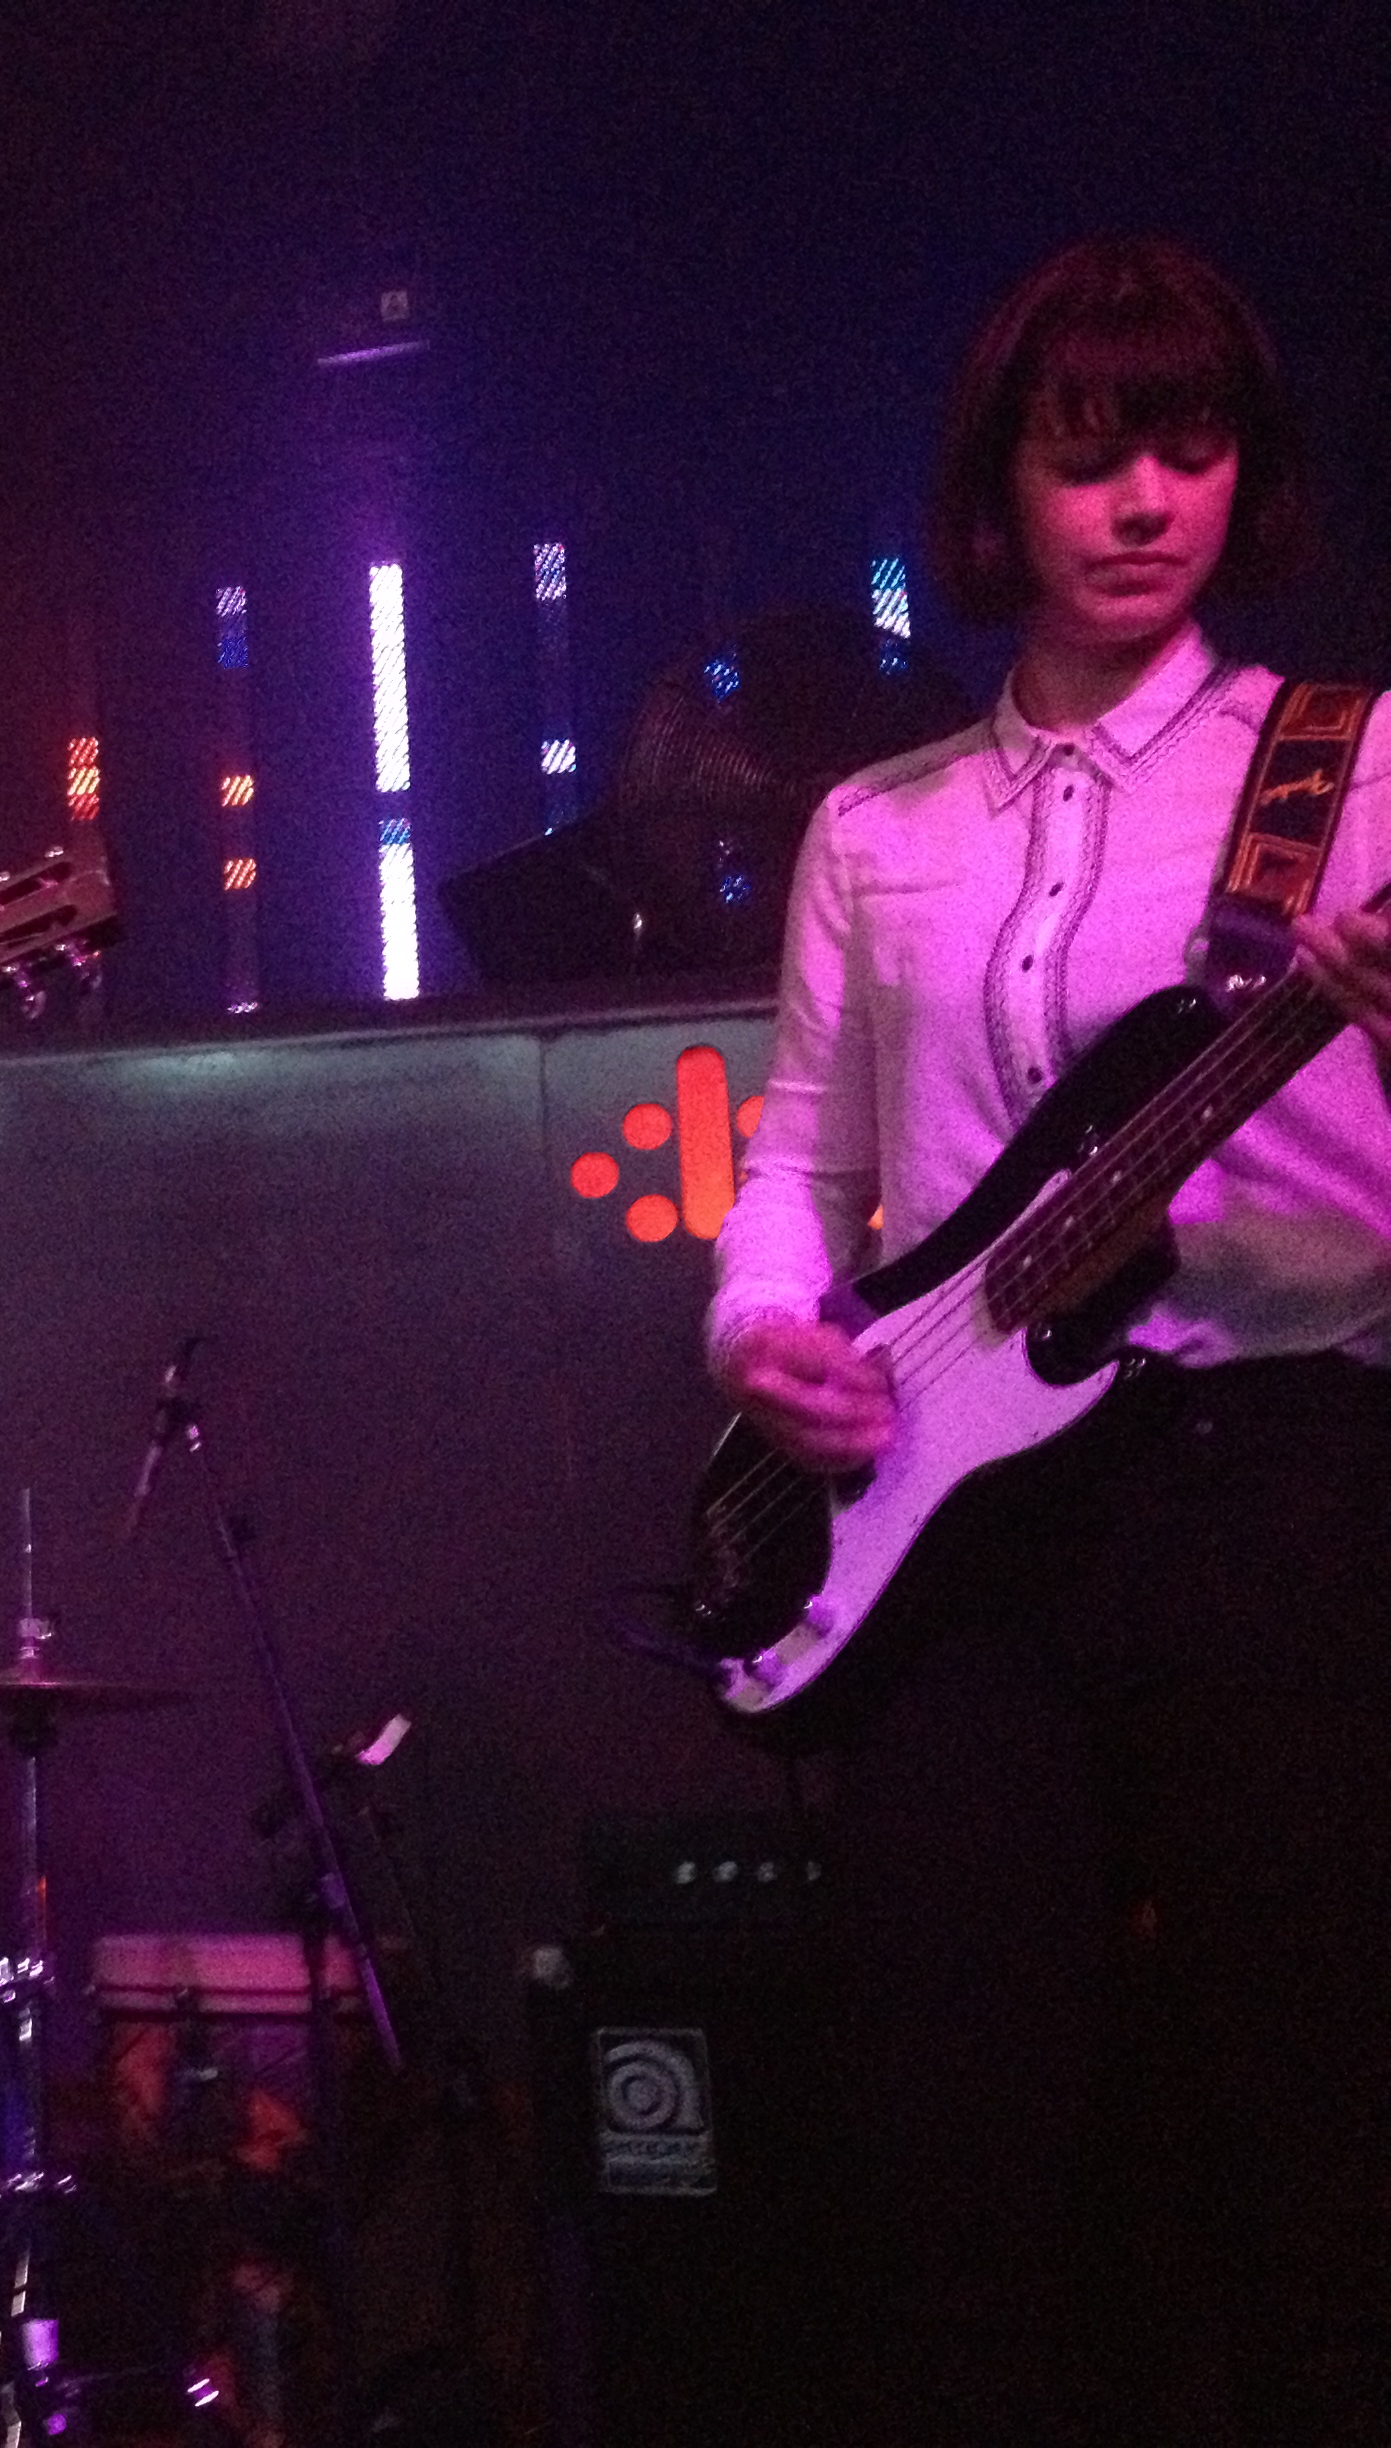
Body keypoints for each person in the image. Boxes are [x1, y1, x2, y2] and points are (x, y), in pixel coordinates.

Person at [709, 238, 1391, 2443]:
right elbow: (800, 1163)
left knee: (1319, 2125)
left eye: (1192, 450)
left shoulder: (1351, 768)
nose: (1147, 501)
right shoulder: (874, 825)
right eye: (1092, 456)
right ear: (1002, 485)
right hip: (963, 1524)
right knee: (957, 2142)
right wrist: (764, 1327)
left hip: (1275, 1474)